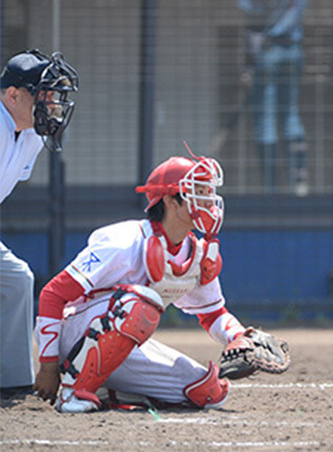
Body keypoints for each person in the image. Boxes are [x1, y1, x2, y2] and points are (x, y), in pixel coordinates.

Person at [32, 151, 253, 412]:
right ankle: (73, 391)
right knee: (140, 303)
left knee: (209, 393)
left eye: (208, 192)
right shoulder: (124, 241)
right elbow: (53, 294)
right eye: (199, 192)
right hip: (73, 337)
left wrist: (239, 337)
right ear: (171, 200)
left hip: (118, 347)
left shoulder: (199, 253)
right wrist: (48, 364)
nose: (209, 202)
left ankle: (108, 389)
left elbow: (213, 313)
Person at [1, 49, 78, 399]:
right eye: (43, 94)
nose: (51, 104)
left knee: (17, 279)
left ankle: (10, 380)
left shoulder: (30, 134)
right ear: (13, 95)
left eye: (53, 95)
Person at [238, 0, 314, 195]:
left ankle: (270, 189)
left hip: (267, 51)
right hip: (293, 49)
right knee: (290, 115)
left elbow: (253, 20)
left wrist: (249, 63)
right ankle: (298, 182)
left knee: (265, 122)